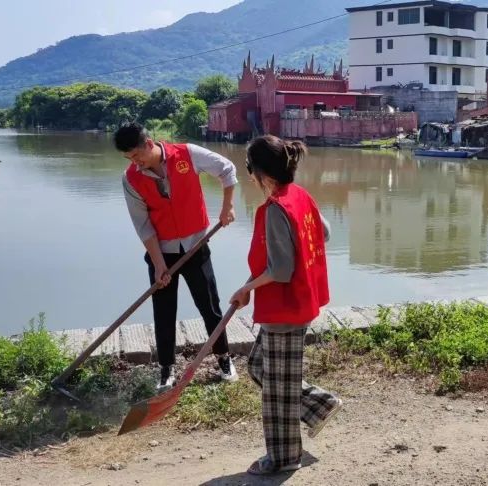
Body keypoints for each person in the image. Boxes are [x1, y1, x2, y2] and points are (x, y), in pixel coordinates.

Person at [228, 135, 341, 475]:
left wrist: (246, 287)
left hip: (286, 308)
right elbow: (325, 233)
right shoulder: (300, 196)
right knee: (260, 368)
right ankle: (320, 404)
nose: (249, 175)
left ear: (261, 172)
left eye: (249, 168)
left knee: (276, 393)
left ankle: (283, 457)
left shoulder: (275, 209)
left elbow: (280, 270)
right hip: (298, 302)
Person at [114, 122, 239, 389]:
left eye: (137, 155)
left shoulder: (187, 153)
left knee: (210, 307)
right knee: (164, 311)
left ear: (148, 144)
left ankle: (224, 359)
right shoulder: (131, 179)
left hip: (196, 247)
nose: (135, 163)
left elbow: (227, 169)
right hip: (162, 254)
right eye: (129, 159)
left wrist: (227, 206)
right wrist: (159, 265)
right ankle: (166, 369)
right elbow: (143, 225)